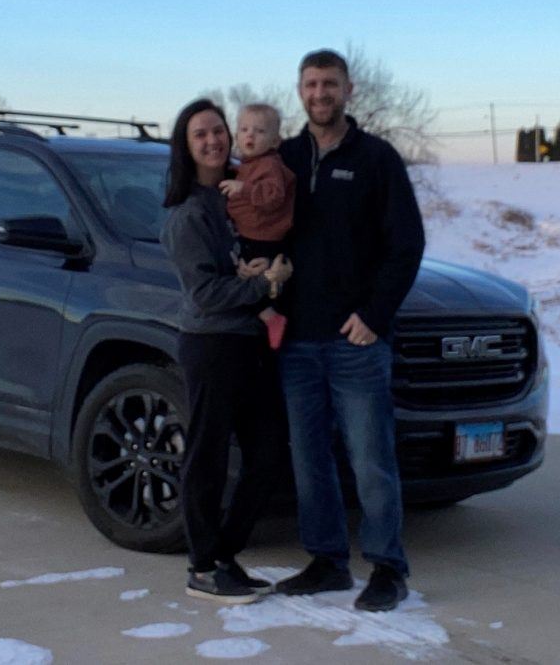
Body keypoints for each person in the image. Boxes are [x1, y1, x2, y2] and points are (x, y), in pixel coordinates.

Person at [275, 49, 425, 612]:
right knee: (309, 456)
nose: (320, 93)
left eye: (330, 84)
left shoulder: (377, 160)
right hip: (296, 341)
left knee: (370, 457)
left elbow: (406, 245)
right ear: (300, 91)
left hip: (355, 340)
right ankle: (326, 562)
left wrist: (375, 315)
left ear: (348, 90)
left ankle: (387, 567)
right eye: (311, 84)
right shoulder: (283, 159)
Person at [161, 97, 293, 604]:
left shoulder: (234, 195)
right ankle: (201, 568)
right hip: (211, 344)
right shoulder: (187, 214)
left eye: (219, 131)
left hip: (251, 342)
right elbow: (206, 294)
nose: (214, 140)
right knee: (208, 455)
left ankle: (224, 554)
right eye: (201, 134)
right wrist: (266, 286)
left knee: (267, 453)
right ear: (186, 145)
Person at [219, 103, 296, 349]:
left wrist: (244, 188)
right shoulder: (248, 165)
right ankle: (270, 316)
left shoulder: (270, 164)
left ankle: (272, 318)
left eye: (260, 131)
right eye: (244, 129)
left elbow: (274, 196)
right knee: (245, 277)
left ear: (275, 141)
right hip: (251, 234)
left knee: (247, 282)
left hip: (262, 236)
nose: (250, 135)